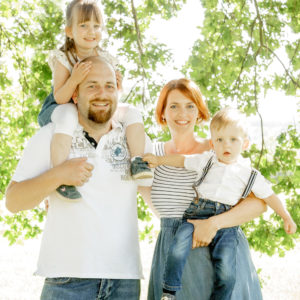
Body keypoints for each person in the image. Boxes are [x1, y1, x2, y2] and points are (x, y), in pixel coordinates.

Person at [6, 56, 152, 300]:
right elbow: (13, 201)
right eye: (91, 85)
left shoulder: (134, 140)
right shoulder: (52, 136)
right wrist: (59, 174)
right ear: (75, 95)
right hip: (67, 280)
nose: (102, 93)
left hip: (124, 282)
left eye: (109, 86)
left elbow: (156, 195)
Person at [143, 107, 297, 300]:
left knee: (226, 268)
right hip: (195, 214)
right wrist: (159, 160)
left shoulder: (249, 174)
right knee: (177, 248)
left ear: (245, 143)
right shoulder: (207, 160)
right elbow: (182, 160)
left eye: (233, 139)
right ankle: (169, 292)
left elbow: (269, 197)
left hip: (226, 226)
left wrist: (286, 216)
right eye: (220, 139)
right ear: (212, 143)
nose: (227, 145)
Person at [38, 0, 152, 202]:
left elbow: (110, 97)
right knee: (67, 115)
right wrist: (75, 79)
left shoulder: (105, 57)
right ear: (69, 31)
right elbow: (60, 97)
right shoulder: (64, 57)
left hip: (91, 107)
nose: (91, 31)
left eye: (96, 26)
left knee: (133, 113)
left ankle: (137, 161)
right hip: (62, 105)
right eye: (83, 25)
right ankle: (61, 175)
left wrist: (117, 86)